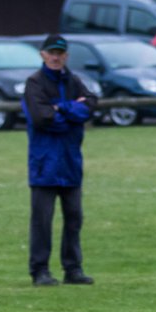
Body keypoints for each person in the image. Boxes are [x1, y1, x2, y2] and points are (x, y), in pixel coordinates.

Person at [22, 34, 97, 286]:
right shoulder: (34, 83)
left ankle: (73, 268)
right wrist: (70, 112)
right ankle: (39, 270)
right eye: (51, 52)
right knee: (42, 220)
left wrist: (61, 108)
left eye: (60, 53)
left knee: (74, 217)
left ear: (66, 56)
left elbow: (90, 107)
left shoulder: (74, 81)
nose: (56, 57)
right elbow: (42, 118)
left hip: (70, 162)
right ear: (42, 54)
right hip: (45, 164)